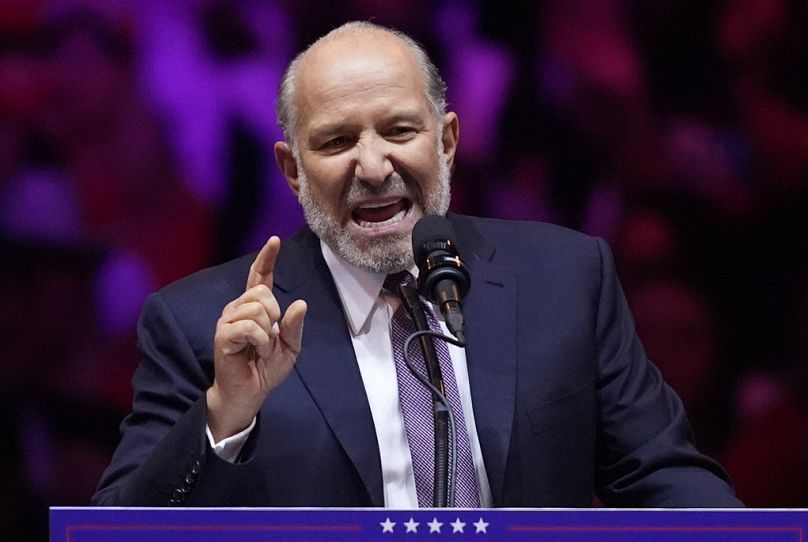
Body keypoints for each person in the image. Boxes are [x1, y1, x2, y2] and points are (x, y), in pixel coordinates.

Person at [92, 21, 741, 508]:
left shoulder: (565, 280)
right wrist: (223, 415)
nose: (373, 167)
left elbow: (664, 477)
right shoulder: (203, 322)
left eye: (399, 132)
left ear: (448, 142)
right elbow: (118, 529)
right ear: (291, 171)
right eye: (337, 141)